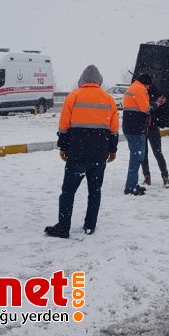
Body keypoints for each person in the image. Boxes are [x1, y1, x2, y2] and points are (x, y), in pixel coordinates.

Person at [44, 65, 119, 239]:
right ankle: (90, 226)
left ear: (82, 80)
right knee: (95, 191)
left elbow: (64, 125)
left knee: (68, 192)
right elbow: (114, 129)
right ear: (99, 80)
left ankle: (63, 227)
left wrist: (63, 147)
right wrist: (112, 149)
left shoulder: (73, 96)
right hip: (99, 154)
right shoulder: (108, 99)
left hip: (77, 153)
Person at [122, 73, 165, 195]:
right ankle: (130, 186)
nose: (149, 88)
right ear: (146, 82)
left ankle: (133, 183)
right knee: (136, 158)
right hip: (136, 129)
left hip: (131, 128)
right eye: (149, 85)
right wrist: (157, 103)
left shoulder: (134, 87)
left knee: (137, 157)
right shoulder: (140, 89)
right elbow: (146, 108)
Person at [141, 83, 169, 188]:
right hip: (149, 127)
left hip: (149, 127)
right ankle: (162, 177)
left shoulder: (148, 93)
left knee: (150, 153)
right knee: (155, 153)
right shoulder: (153, 93)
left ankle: (153, 176)